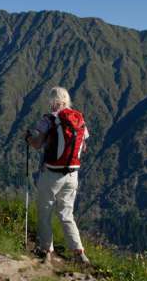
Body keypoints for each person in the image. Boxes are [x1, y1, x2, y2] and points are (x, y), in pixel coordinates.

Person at [26, 86, 90, 264]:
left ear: (52, 101)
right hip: (72, 175)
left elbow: (38, 144)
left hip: (52, 174)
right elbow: (83, 147)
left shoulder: (49, 120)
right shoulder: (79, 119)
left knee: (45, 212)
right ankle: (79, 253)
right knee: (66, 214)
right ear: (67, 101)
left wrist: (29, 138)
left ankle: (46, 250)